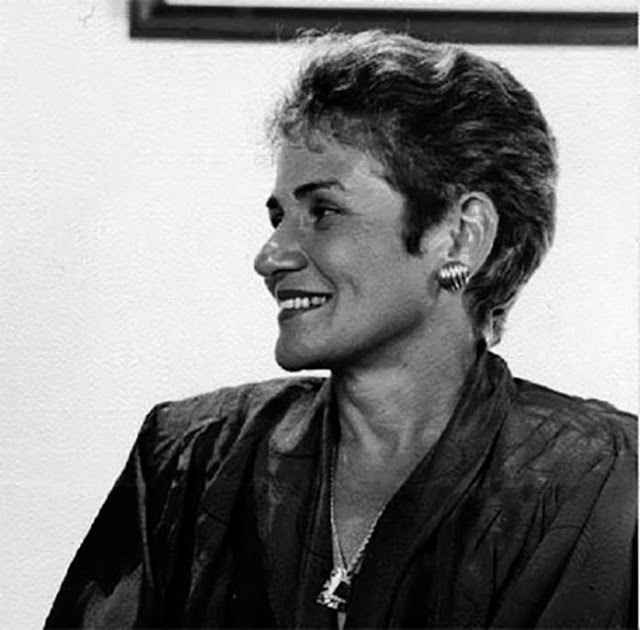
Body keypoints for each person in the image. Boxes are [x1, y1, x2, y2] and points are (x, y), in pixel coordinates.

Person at [46, 30, 636, 628]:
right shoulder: (188, 460)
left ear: (460, 237)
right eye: (279, 217)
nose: (270, 256)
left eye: (323, 211)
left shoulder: (603, 483)